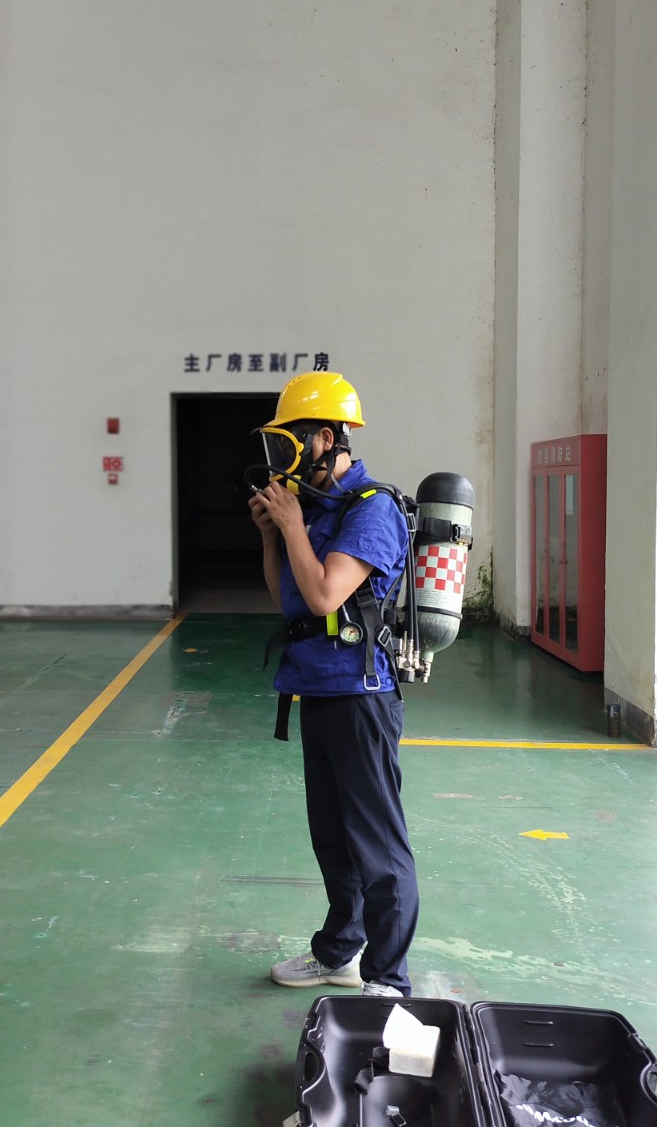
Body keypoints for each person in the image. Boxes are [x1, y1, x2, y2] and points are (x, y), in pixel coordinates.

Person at [248, 372, 419, 998]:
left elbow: (326, 594)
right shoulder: (317, 508)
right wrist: (273, 537)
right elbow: (292, 600)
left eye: (290, 442)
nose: (281, 458)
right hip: (317, 687)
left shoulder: (372, 509)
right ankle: (340, 951)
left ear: (325, 438)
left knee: (378, 844)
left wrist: (293, 526)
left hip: (360, 693)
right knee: (333, 838)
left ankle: (389, 978)